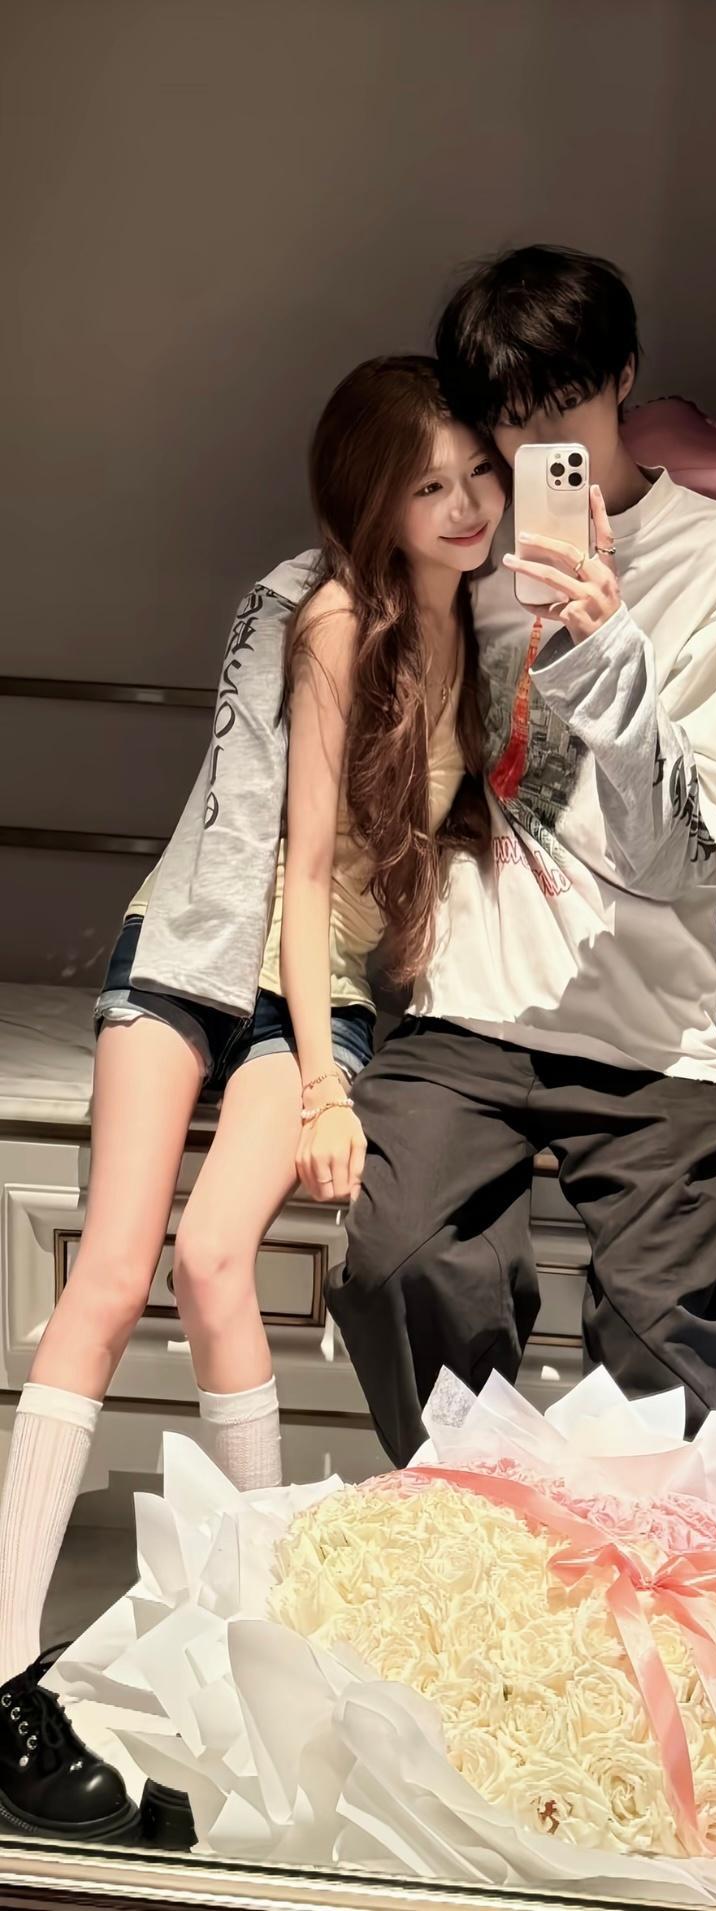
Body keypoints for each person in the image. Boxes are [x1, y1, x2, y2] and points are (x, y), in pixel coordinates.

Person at [0, 355, 504, 1838]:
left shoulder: (488, 620)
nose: (466, 504)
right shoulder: (333, 614)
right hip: (209, 957)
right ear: (373, 499)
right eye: (429, 484)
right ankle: (5, 1675)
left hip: (324, 988)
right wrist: (329, 1091)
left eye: (478, 472)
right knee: (108, 1274)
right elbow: (298, 868)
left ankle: (261, 1638)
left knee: (217, 1258)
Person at [326, 246, 716, 1465]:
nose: (534, 451)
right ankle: (478, 1518)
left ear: (625, 377)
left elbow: (691, 857)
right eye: (508, 422)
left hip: (646, 1035)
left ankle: (613, 1567)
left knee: (670, 1376)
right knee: (397, 1267)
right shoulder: (468, 548)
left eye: (562, 411)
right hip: (467, 1009)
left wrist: (605, 643)